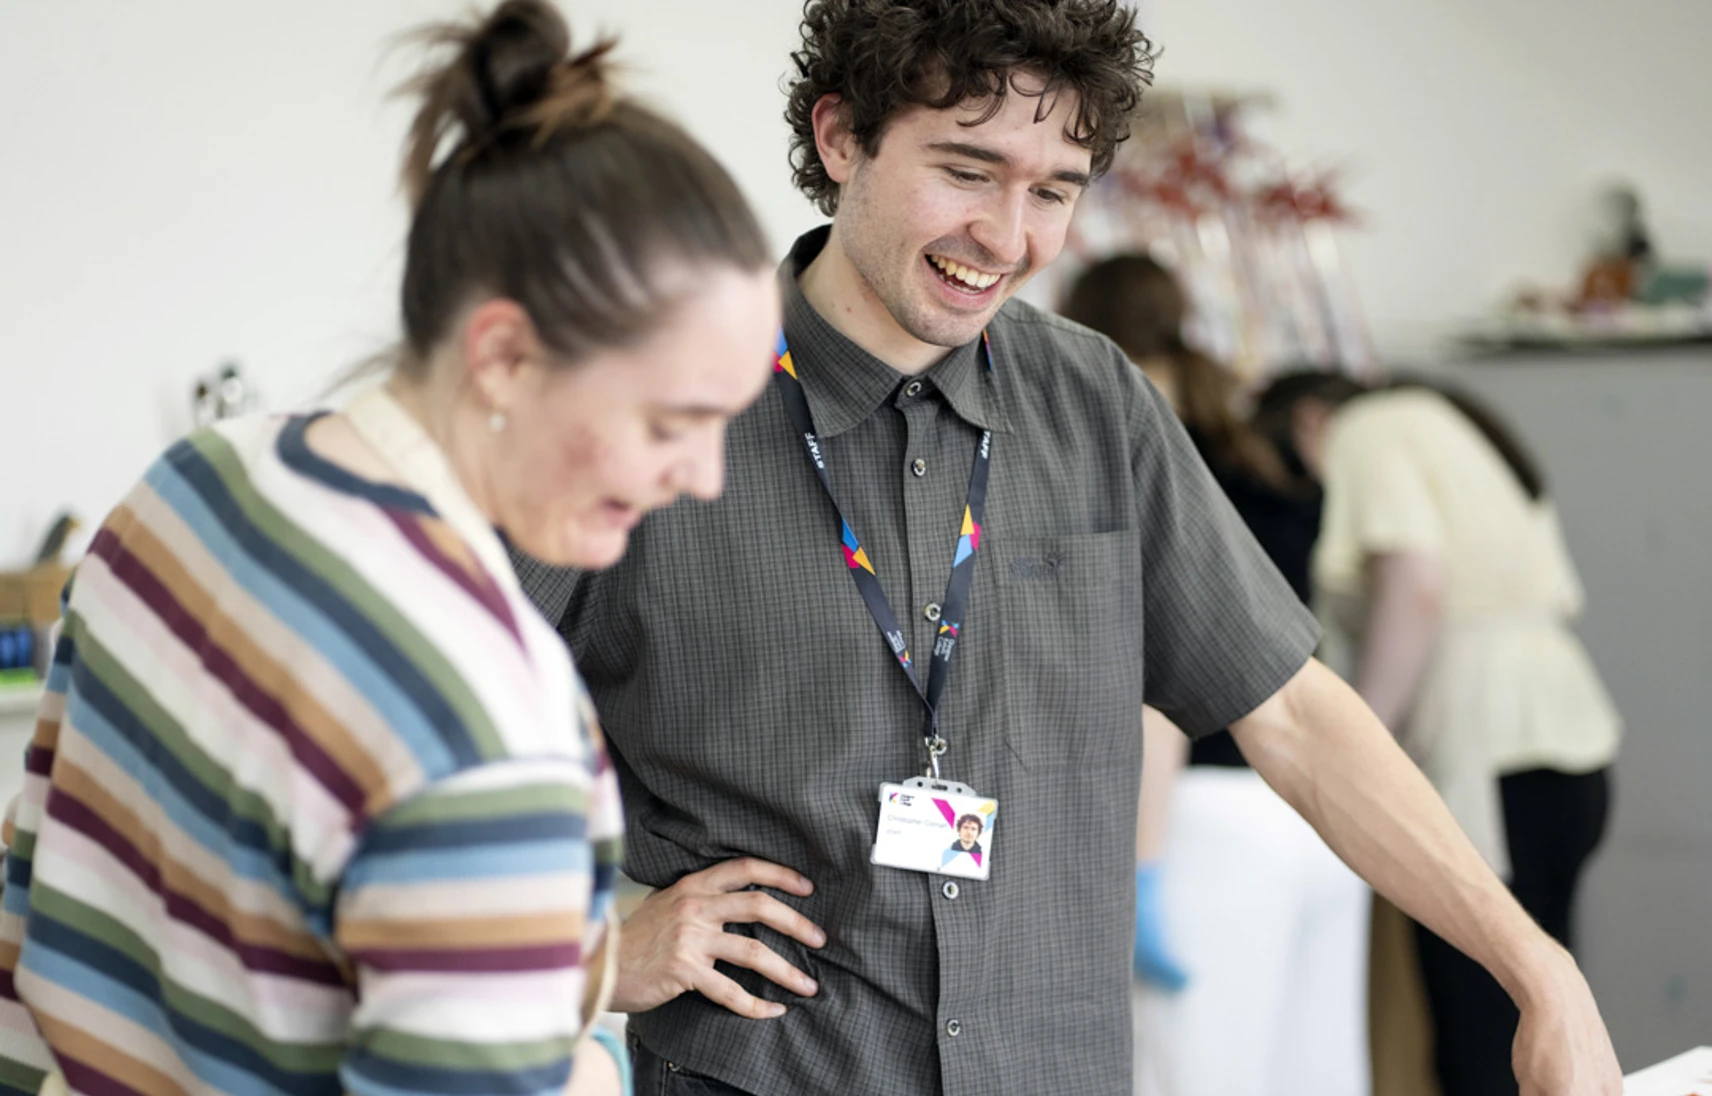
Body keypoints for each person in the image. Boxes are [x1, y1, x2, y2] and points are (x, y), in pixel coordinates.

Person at [515, 2, 1622, 1094]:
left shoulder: (1094, 401)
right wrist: (599, 944)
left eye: (1051, 190)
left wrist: (1537, 968)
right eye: (965, 170)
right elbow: (412, 728)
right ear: (838, 134)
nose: (1007, 238)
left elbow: (1289, 711)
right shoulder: (652, 397)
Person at [0, 4, 778, 1096]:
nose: (703, 477)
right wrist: (582, 1066)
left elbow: (40, 900)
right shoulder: (485, 719)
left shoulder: (193, 482)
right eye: (669, 422)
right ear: (503, 357)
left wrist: (549, 963)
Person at [1061, 254, 1371, 1096]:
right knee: (1318, 1072)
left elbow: (1159, 685)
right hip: (1322, 816)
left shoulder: (1126, 460)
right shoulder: (1269, 465)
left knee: (1196, 1075)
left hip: (1204, 820)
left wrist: (1142, 869)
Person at [1266, 371, 1623, 1096]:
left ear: (1309, 422)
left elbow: (1415, 585)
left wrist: (1353, 740)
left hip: (1485, 755)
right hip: (1571, 741)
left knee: (1481, 1038)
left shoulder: (1367, 429)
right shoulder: (1451, 423)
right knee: (1548, 1015)